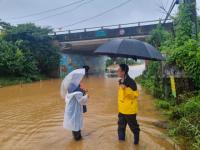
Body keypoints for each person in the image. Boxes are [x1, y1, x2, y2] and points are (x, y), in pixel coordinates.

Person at [60, 68, 89, 141]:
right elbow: (81, 100)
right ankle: (78, 140)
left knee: (74, 125)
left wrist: (83, 90)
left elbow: (77, 94)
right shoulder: (76, 89)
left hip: (71, 110)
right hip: (75, 111)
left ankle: (76, 139)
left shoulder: (71, 86)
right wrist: (86, 96)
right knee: (76, 125)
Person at [117, 64, 140, 145]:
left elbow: (135, 95)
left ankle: (136, 143)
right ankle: (121, 145)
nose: (117, 71)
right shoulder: (120, 81)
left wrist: (126, 89)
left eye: (118, 70)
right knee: (120, 128)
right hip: (122, 110)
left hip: (130, 111)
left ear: (123, 72)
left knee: (134, 128)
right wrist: (122, 85)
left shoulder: (131, 82)